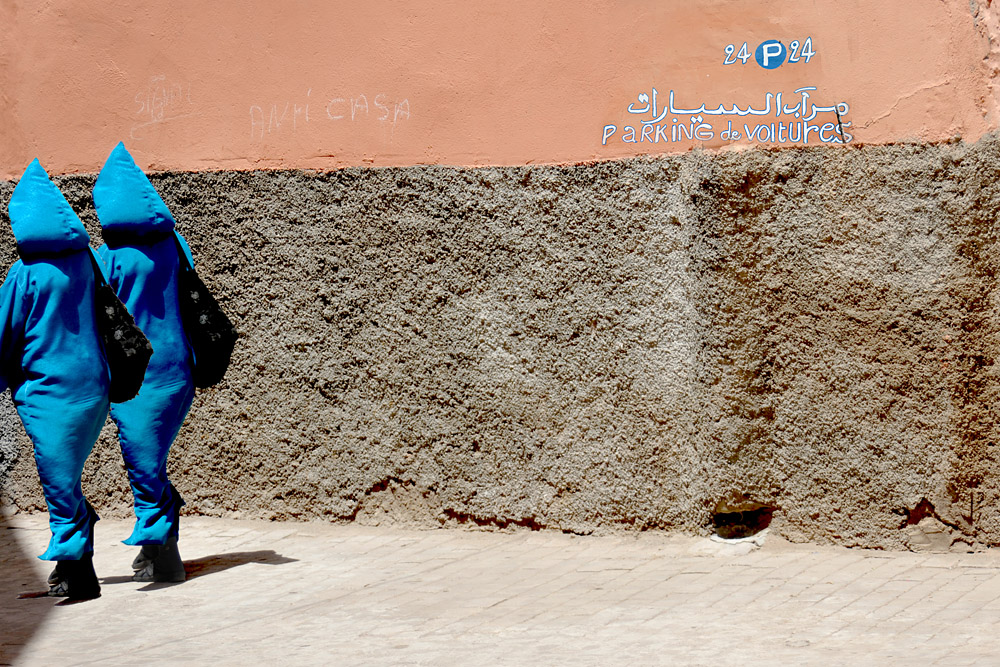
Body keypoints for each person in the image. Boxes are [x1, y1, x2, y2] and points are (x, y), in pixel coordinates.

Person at [2, 160, 111, 600]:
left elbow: (4, 332)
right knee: (64, 474)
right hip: (95, 387)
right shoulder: (88, 261)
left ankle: (79, 577)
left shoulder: (23, 274)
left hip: (51, 391)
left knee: (57, 477)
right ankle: (72, 563)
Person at [92, 142, 196, 583]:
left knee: (142, 461)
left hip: (139, 378)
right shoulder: (173, 246)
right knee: (150, 459)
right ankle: (158, 543)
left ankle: (165, 557)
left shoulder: (105, 258)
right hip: (180, 370)